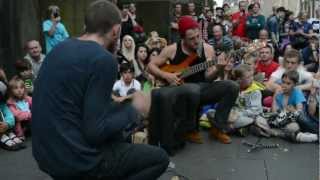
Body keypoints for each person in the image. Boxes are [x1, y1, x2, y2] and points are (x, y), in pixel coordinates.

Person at [32, 1, 169, 179]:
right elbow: (95, 131)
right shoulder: (102, 59)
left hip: (46, 154)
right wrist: (135, 109)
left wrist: (120, 105)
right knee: (159, 159)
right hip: (76, 160)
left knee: (118, 132)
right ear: (116, 30)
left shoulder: (59, 49)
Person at [148, 16, 239, 144]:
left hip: (202, 88)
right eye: (191, 39)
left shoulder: (207, 49)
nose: (196, 41)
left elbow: (208, 78)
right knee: (193, 89)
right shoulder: (172, 49)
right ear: (183, 38)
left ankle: (217, 128)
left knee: (232, 86)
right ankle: (190, 129)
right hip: (180, 92)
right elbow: (150, 65)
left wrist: (219, 68)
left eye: (198, 36)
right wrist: (166, 76)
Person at [7, 76, 32, 142]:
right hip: (21, 123)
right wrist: (30, 114)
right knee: (17, 121)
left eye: (21, 87)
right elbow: (18, 116)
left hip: (29, 120)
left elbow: (35, 103)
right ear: (11, 91)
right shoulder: (11, 103)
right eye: (16, 88)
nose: (19, 90)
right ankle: (20, 135)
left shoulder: (26, 98)